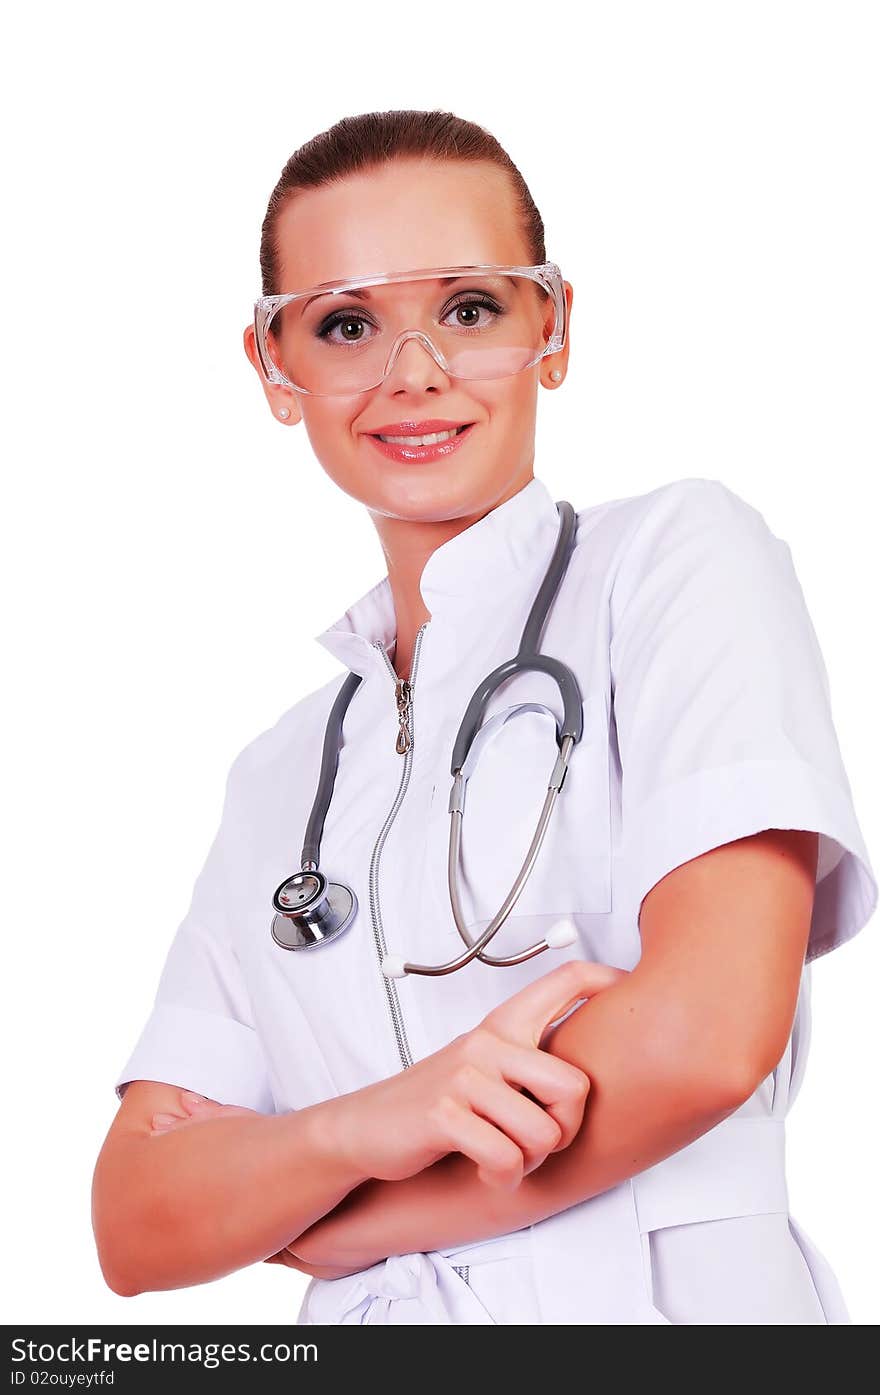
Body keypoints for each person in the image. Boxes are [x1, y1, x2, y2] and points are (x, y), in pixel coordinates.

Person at [92, 109, 877, 1325]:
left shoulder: (674, 564)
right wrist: (383, 1117)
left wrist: (341, 1211)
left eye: (469, 309)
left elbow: (707, 1037)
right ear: (273, 366)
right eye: (347, 323)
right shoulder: (281, 775)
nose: (415, 373)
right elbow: (137, 1219)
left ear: (551, 331)